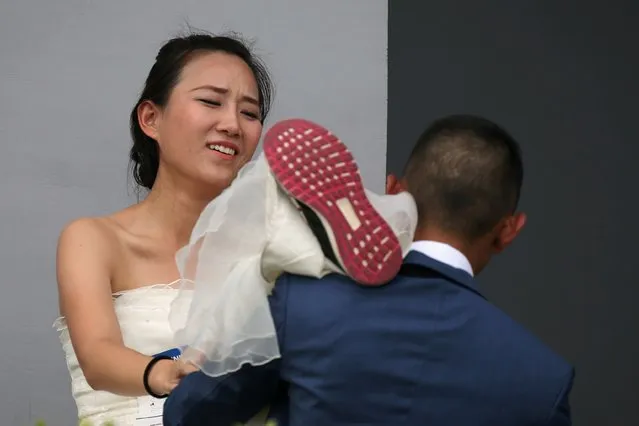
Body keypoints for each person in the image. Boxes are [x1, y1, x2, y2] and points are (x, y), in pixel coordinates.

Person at [163, 114, 575, 426]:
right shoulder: (544, 380)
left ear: (394, 191)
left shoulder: (302, 303)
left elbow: (189, 413)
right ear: (509, 230)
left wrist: (211, 340)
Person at [54, 31, 276, 425]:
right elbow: (99, 355)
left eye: (250, 113)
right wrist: (164, 373)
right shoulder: (93, 239)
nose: (232, 124)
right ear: (151, 119)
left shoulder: (269, 250)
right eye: (211, 101)